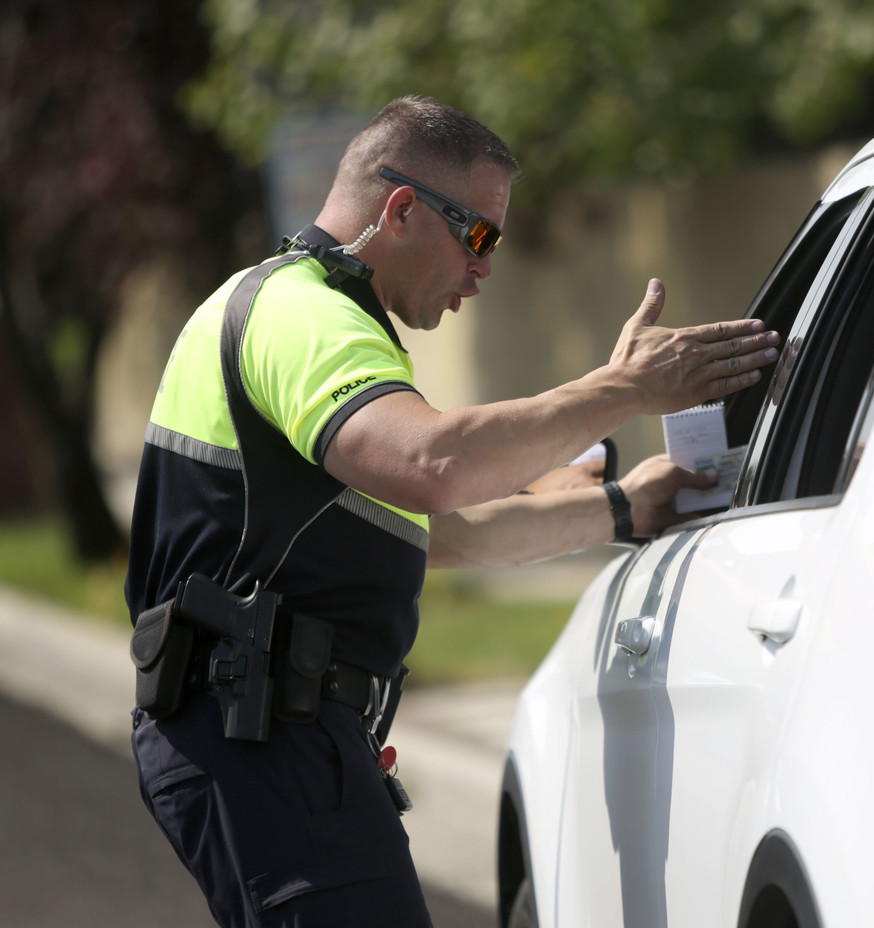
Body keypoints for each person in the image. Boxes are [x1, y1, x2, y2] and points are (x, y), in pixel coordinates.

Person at [124, 95, 779, 928]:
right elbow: (433, 463)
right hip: (260, 735)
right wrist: (626, 389)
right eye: (479, 235)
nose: (486, 268)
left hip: (272, 734)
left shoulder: (316, 316)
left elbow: (444, 533)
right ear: (401, 209)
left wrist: (623, 509)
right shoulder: (303, 316)